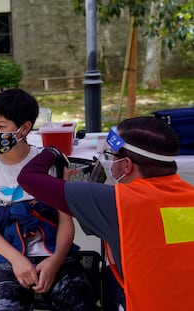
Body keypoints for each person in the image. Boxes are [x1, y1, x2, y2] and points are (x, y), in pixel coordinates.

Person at [18, 116, 194, 311]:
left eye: (112, 156)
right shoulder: (189, 197)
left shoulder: (117, 202)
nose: (110, 161)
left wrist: (53, 149)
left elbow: (29, 178)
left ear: (126, 165)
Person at [0, 88, 96, 311]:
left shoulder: (49, 163)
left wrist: (56, 260)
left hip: (55, 253)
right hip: (5, 256)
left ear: (24, 128)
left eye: (1, 127)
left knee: (80, 303)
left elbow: (66, 222)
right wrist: (17, 261)